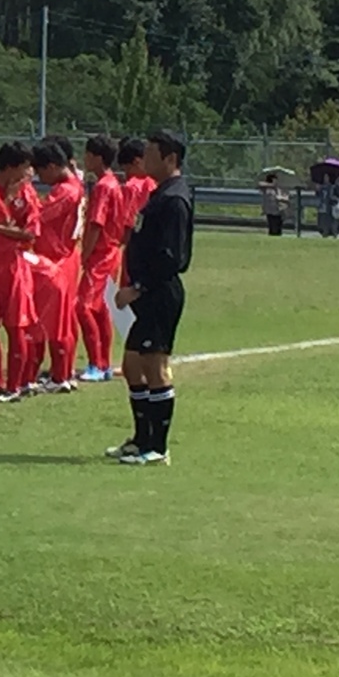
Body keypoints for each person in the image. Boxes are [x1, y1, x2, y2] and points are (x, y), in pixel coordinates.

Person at [112, 130, 194, 465]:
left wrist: (139, 287)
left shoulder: (174, 199)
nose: (144, 158)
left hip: (159, 292)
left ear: (169, 158)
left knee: (155, 366)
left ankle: (158, 448)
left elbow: (172, 257)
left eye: (151, 153)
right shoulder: (160, 193)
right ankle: (141, 437)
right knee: (133, 363)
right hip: (147, 292)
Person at [26, 140, 84, 392]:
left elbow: (37, 214)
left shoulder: (65, 191)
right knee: (63, 319)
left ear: (51, 166)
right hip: (67, 256)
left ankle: (60, 374)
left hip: (57, 260)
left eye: (40, 172)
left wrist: (23, 192)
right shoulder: (74, 185)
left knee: (53, 321)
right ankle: (64, 371)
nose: (39, 178)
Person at [0, 142, 41, 401]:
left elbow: (30, 232)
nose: (27, 173)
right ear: (10, 168)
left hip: (13, 265)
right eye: (23, 167)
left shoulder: (28, 194)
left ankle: (16, 384)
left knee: (16, 325)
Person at [77, 134, 126, 383]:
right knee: (100, 310)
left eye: (88, 154)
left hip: (101, 255)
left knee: (83, 306)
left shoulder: (104, 188)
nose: (85, 158)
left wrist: (84, 255)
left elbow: (96, 225)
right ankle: (104, 363)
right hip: (112, 253)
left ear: (97, 157)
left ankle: (96, 363)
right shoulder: (113, 183)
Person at [259, 173, 291, 237]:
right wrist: (272, 185)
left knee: (278, 228)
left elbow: (286, 197)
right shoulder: (267, 189)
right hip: (270, 211)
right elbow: (260, 184)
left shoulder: (279, 189)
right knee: (272, 228)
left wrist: (282, 198)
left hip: (279, 211)